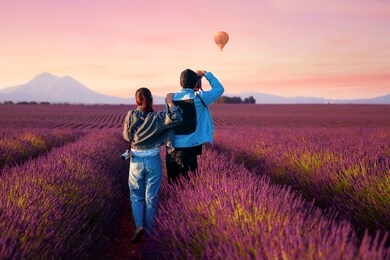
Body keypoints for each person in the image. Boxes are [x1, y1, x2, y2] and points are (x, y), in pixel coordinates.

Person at [122, 87, 183, 243]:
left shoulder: (130, 115)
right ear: (151, 100)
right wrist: (170, 102)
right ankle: (149, 232)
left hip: (135, 161)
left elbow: (126, 136)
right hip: (153, 161)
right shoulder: (159, 117)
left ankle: (139, 226)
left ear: (136, 101)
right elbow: (177, 118)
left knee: (136, 195)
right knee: (152, 197)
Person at [166, 69, 224, 184]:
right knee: (188, 186)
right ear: (196, 84)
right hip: (190, 149)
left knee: (173, 188)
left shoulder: (169, 98)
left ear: (180, 83)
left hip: (171, 149)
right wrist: (207, 74)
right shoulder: (199, 98)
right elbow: (219, 89)